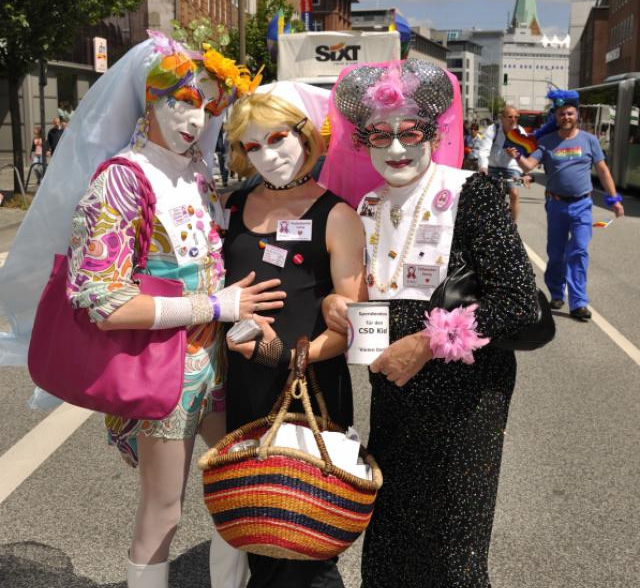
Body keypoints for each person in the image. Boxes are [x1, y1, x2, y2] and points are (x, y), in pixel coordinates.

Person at [0, 32, 285, 588]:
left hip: (216, 363)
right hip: (164, 369)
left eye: (205, 105)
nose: (194, 118)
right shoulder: (121, 181)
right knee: (165, 511)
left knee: (239, 488)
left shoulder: (196, 174)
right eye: (180, 101)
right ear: (148, 101)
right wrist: (216, 303)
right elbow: (104, 303)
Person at [321, 59, 539, 588]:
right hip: (395, 391)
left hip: (466, 399)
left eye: (409, 133)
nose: (395, 149)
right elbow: (376, 298)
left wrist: (423, 343)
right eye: (379, 135)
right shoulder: (368, 205)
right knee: (393, 532)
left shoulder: (475, 194)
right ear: (363, 142)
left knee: (452, 544)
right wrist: (341, 308)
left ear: (433, 133)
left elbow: (518, 304)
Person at [221, 81, 367, 588]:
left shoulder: (338, 215)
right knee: (258, 523)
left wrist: (285, 355)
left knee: (308, 541)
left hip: (310, 391)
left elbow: (353, 325)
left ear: (305, 136)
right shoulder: (234, 205)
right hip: (245, 390)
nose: (267, 156)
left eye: (277, 138)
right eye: (253, 146)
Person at [507, 97, 624, 320]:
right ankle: (557, 293)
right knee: (556, 253)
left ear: (577, 115)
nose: (566, 117)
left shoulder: (589, 140)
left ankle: (579, 302)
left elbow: (603, 171)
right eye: (562, 114)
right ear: (556, 117)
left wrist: (614, 199)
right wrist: (518, 157)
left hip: (582, 204)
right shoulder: (547, 141)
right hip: (556, 204)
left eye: (570, 113)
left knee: (579, 251)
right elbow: (530, 165)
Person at [477, 105, 528, 221]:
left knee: (514, 193)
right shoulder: (492, 129)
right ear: (502, 118)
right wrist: (483, 168)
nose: (513, 120)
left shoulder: (520, 131)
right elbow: (484, 149)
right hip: (493, 166)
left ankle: (513, 227)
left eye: (516, 117)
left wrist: (524, 173)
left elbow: (525, 154)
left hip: (512, 167)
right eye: (510, 117)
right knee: (491, 196)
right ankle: (490, 223)